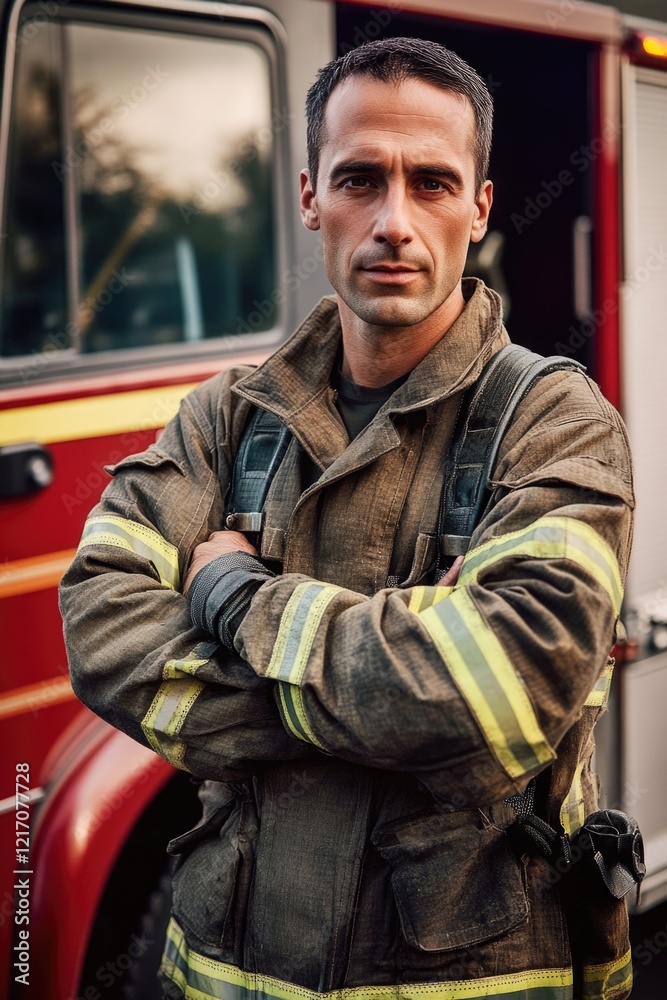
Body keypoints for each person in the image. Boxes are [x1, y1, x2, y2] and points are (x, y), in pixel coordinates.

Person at [59, 37, 636, 1000]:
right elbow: (100, 626)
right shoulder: (225, 415)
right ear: (308, 197)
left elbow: (503, 691)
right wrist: (392, 697)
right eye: (360, 179)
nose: (394, 222)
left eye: (433, 183)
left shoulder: (557, 424)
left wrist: (229, 592)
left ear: (480, 208)